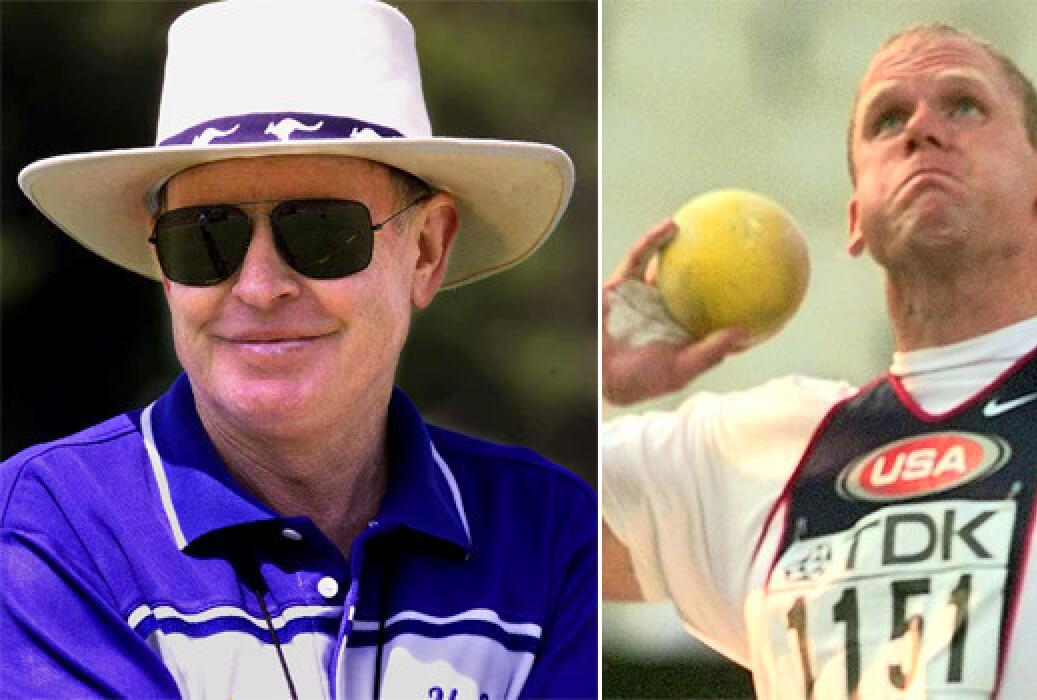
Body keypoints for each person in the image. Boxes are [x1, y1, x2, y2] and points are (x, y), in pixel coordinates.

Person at [0, 1, 596, 698]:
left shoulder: (552, 531)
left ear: (427, 249)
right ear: (162, 263)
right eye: (205, 237)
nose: (257, 286)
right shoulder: (44, 525)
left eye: (320, 231)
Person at [602, 22, 1037, 699]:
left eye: (964, 106)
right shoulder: (756, 455)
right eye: (888, 120)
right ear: (856, 218)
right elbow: (491, 531)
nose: (922, 130)